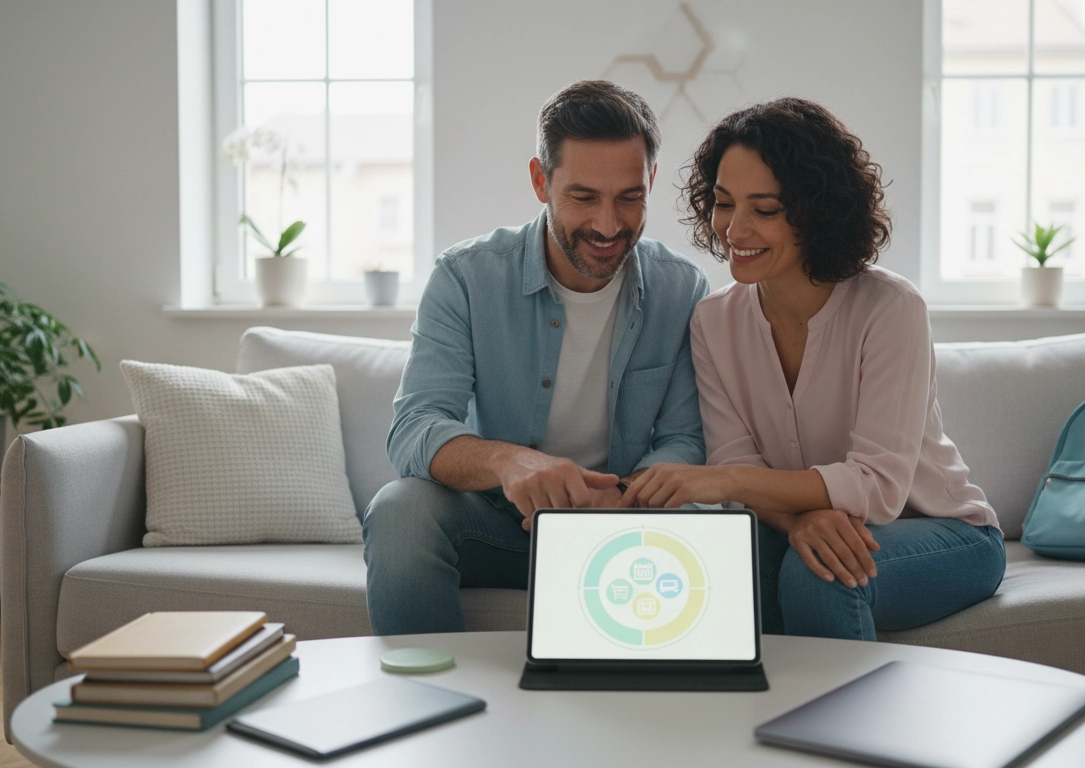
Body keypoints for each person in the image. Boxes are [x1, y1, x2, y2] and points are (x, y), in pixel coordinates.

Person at [621, 98, 1005, 641]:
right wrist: (798, 517)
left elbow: (877, 488)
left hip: (939, 530)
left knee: (819, 574)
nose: (735, 228)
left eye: (766, 209)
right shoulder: (712, 320)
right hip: (800, 525)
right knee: (713, 562)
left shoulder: (891, 309)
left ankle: (842, 728)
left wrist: (722, 479)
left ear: (818, 211)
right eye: (725, 203)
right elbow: (738, 458)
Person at [365, 80, 710, 635]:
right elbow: (415, 427)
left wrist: (626, 497)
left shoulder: (683, 289)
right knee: (400, 509)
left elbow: (686, 440)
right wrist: (510, 464)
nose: (607, 224)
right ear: (540, 181)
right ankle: (426, 707)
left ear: (649, 183)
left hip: (625, 524)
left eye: (629, 196)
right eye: (582, 197)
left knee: (720, 519)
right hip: (501, 525)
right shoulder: (466, 277)